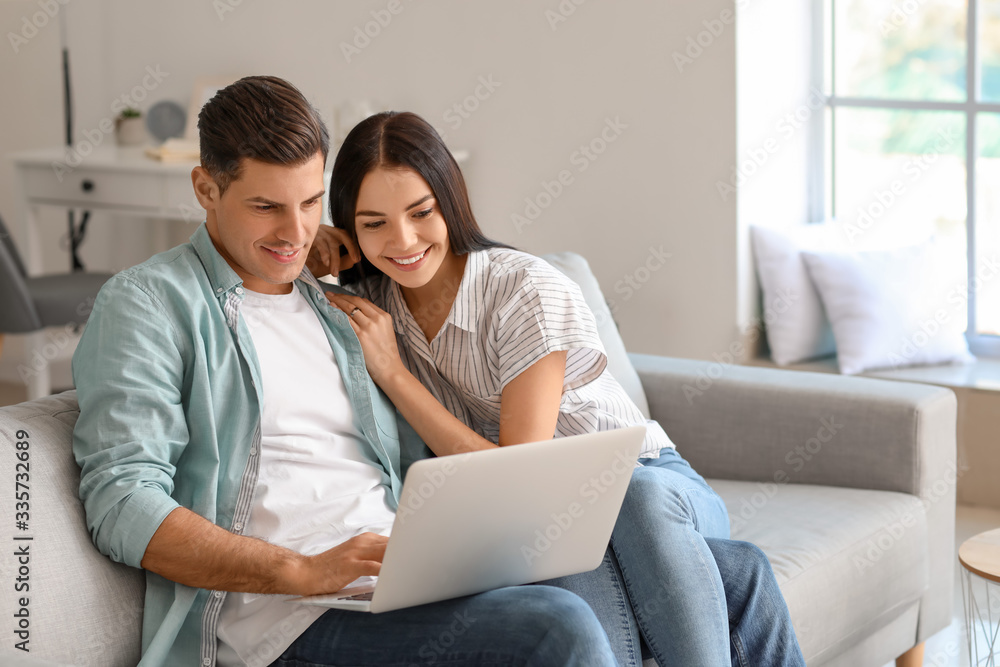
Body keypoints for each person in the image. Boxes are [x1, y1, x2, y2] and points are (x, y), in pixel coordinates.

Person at [71, 76, 618, 667]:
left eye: (310, 203)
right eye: (266, 207)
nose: (295, 232)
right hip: (287, 615)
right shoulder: (150, 303)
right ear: (205, 188)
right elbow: (122, 501)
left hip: (404, 580)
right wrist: (300, 570)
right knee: (555, 627)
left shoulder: (340, 305)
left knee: (588, 577)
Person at [312, 110, 808, 667]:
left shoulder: (522, 288)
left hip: (655, 488)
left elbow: (519, 474)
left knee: (629, 495)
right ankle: (739, 574)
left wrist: (396, 376)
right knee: (583, 555)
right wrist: (311, 244)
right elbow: (270, 280)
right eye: (374, 223)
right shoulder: (376, 305)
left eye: (421, 212)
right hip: (551, 519)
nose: (402, 240)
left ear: (450, 200)